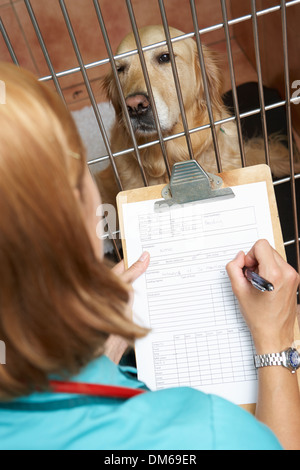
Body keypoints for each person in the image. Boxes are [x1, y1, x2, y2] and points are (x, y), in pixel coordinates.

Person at [0, 63, 299, 451]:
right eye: (78, 173)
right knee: (259, 99)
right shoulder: (203, 430)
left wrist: (102, 349)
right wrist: (274, 339)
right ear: (73, 221)